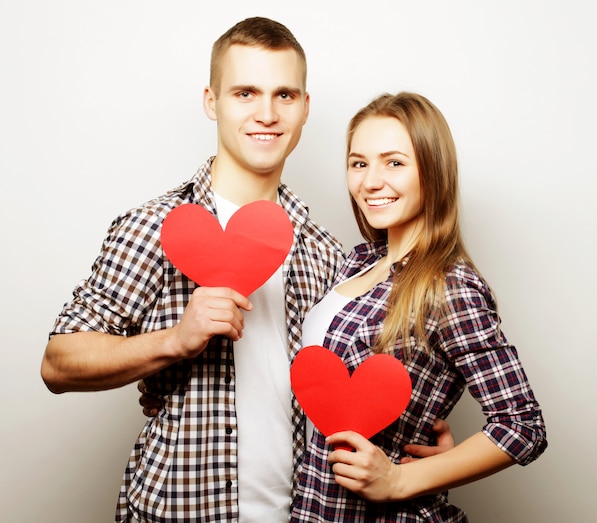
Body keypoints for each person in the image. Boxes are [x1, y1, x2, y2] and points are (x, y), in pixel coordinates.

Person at [41, 18, 453, 523]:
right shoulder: (154, 227)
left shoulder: (331, 255)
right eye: (245, 92)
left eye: (284, 95)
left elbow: (357, 384)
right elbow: (58, 363)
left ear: (305, 108)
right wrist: (175, 340)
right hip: (181, 511)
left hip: (309, 512)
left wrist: (419, 451)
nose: (266, 113)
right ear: (212, 101)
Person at [290, 92, 548, 522]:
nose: (370, 181)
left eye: (394, 162)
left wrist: (403, 480)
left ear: (432, 170)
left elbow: (522, 426)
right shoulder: (356, 262)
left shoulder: (449, 286)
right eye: (359, 163)